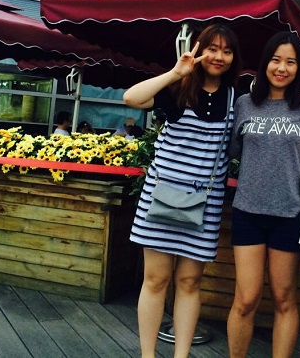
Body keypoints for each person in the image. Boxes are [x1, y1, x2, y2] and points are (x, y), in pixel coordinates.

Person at [124, 23, 241, 358]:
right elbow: (131, 97)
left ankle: (181, 355)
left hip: (204, 202)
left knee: (190, 282)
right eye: (213, 48)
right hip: (160, 196)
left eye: (227, 50)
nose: (219, 56)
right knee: (156, 280)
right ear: (200, 48)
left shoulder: (236, 98)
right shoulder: (177, 90)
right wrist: (176, 72)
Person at [226, 31, 300, 358]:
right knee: (246, 299)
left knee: (284, 299)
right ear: (265, 63)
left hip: (291, 216)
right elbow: (232, 153)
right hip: (248, 212)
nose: (282, 68)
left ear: (299, 68)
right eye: (275, 60)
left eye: (290, 62)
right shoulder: (244, 105)